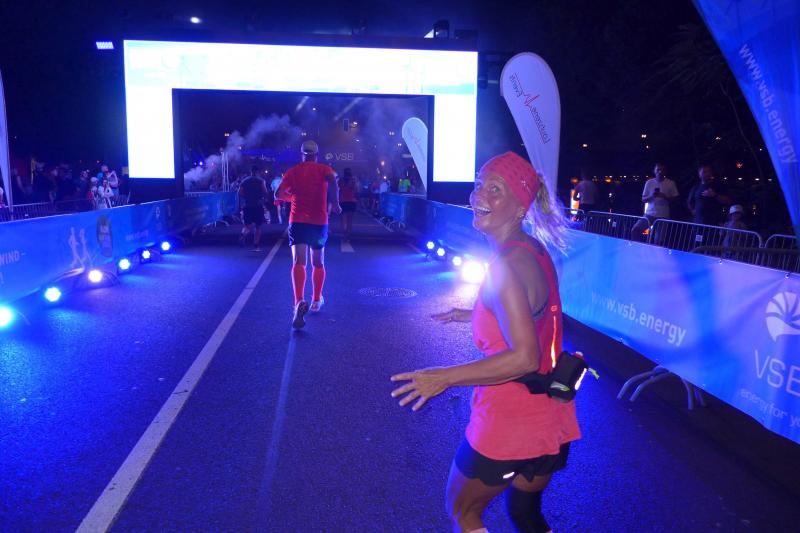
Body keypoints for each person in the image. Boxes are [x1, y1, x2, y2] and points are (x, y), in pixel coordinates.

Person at [391, 151, 580, 533]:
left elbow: (524, 357)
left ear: (520, 208)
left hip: (509, 424)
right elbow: (534, 311)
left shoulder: (505, 268)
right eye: (479, 185)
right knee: (525, 513)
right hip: (552, 416)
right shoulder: (534, 250)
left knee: (463, 511)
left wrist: (443, 377)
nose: (479, 195)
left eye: (495, 189)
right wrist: (474, 313)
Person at [276, 140, 341, 328]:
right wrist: (335, 203)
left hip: (297, 221)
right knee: (318, 262)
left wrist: (291, 197)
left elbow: (278, 194)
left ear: (302, 154)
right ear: (316, 155)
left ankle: (298, 301)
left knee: (299, 262)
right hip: (319, 222)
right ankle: (316, 300)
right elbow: (333, 181)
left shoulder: (293, 171)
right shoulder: (324, 169)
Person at [630, 162, 680, 242]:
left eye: (662, 170)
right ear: (654, 171)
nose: (660, 172)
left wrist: (665, 197)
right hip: (649, 214)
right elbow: (643, 199)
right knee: (635, 230)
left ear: (665, 171)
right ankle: (638, 247)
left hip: (663, 216)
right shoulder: (649, 182)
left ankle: (652, 250)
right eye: (658, 170)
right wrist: (651, 196)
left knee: (658, 241)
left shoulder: (670, 183)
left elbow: (676, 199)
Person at [238, 166, 269, 252]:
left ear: (250, 171)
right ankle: (256, 246)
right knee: (258, 226)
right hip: (258, 206)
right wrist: (263, 198)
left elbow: (239, 193)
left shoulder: (244, 181)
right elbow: (265, 192)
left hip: (247, 205)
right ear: (257, 172)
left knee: (247, 226)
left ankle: (243, 234)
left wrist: (246, 197)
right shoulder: (261, 181)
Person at [338, 168, 358, 241]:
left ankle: (344, 234)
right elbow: (356, 190)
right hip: (351, 201)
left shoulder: (340, 181)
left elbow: (337, 189)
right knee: (350, 220)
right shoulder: (353, 181)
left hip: (342, 201)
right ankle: (348, 235)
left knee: (343, 220)